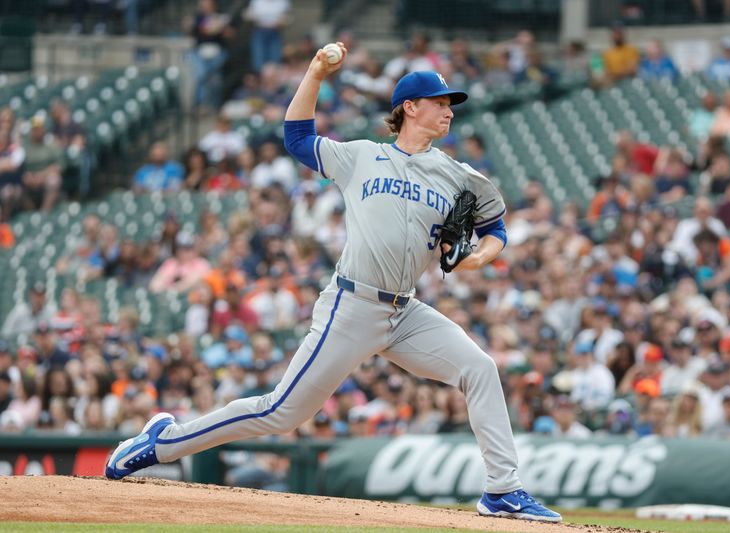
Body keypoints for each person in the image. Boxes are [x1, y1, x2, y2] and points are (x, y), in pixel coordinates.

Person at [106, 44, 562, 523]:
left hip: (404, 312)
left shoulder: (458, 176)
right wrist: (315, 73)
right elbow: (297, 138)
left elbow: (496, 231)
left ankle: (503, 491)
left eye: (451, 104)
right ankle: (164, 443)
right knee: (280, 412)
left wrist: (475, 260)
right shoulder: (361, 157)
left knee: (480, 368)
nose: (450, 110)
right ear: (409, 107)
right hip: (352, 305)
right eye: (441, 102)